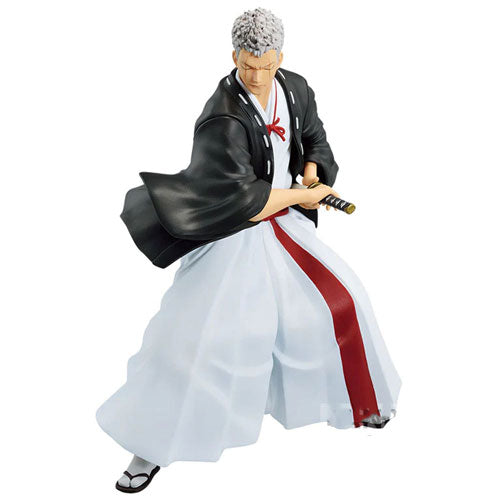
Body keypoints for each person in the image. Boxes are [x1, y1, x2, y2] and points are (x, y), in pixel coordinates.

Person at [96, 7, 402, 493]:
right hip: (235, 229)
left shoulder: (295, 89)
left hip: (285, 225)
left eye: (267, 65)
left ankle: (359, 403)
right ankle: (148, 447)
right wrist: (300, 197)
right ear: (235, 55)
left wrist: (312, 174)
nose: (258, 76)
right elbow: (245, 199)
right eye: (248, 65)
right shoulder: (222, 116)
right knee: (191, 337)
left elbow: (314, 139)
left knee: (343, 301)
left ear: (280, 57)